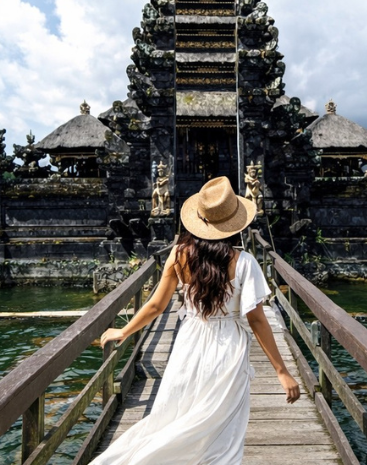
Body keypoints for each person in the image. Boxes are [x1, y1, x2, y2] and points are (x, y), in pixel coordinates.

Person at [92, 176, 301, 464]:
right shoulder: (244, 262)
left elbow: (155, 306)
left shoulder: (179, 255)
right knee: (224, 429)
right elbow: (257, 320)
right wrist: (281, 371)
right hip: (229, 346)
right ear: (234, 224)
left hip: (189, 341)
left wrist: (125, 331)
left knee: (176, 414)